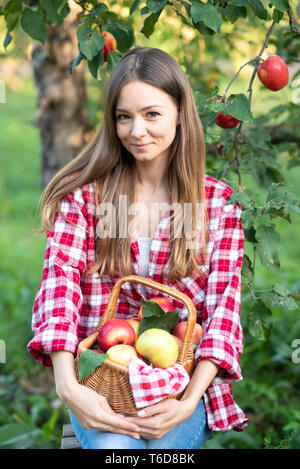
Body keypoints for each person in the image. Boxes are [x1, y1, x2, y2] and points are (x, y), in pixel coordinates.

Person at [27, 46, 250, 449]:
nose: (137, 131)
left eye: (152, 114)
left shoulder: (217, 205)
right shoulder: (85, 199)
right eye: (123, 117)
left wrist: (187, 403)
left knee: (166, 451)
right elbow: (59, 289)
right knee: (117, 450)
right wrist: (68, 388)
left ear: (180, 113)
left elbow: (223, 313)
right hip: (103, 382)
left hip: (178, 386)